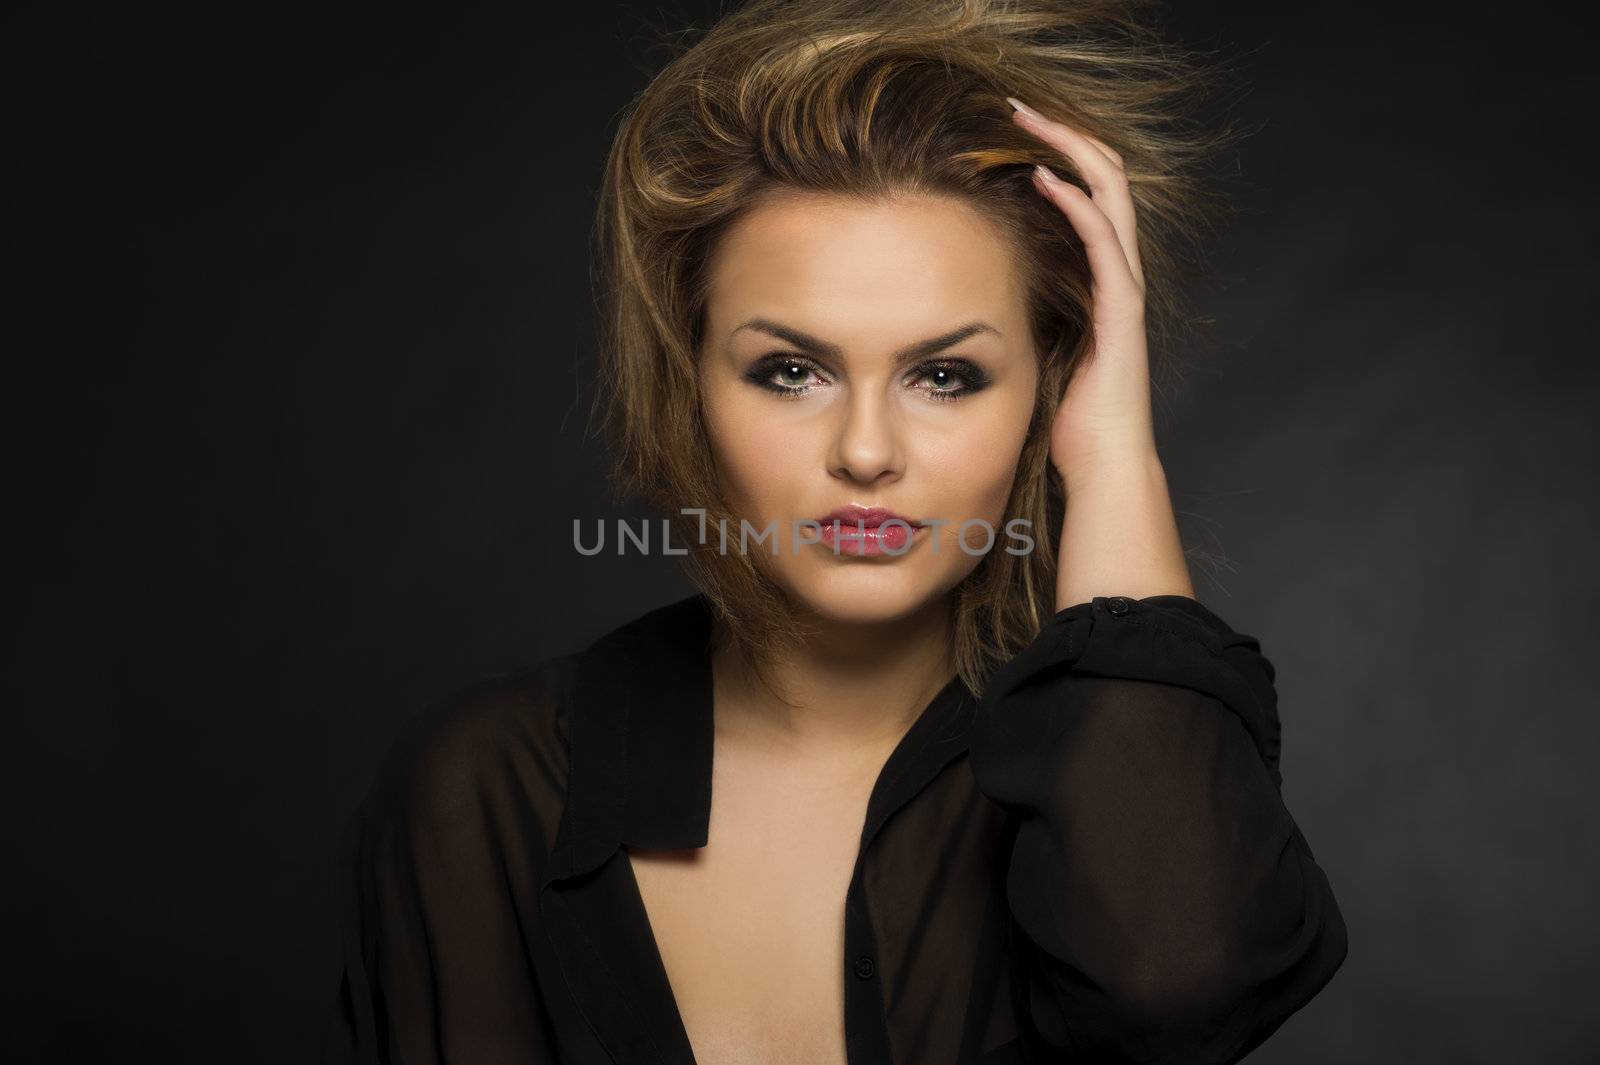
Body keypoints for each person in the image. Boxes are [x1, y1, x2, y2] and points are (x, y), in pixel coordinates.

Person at [320, 0, 1349, 1062]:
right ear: (690, 387)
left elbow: (1176, 982)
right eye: (790, 371)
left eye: (945, 376)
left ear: (1046, 397)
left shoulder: (1116, 780)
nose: (865, 452)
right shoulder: (491, 786)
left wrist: (1118, 462)